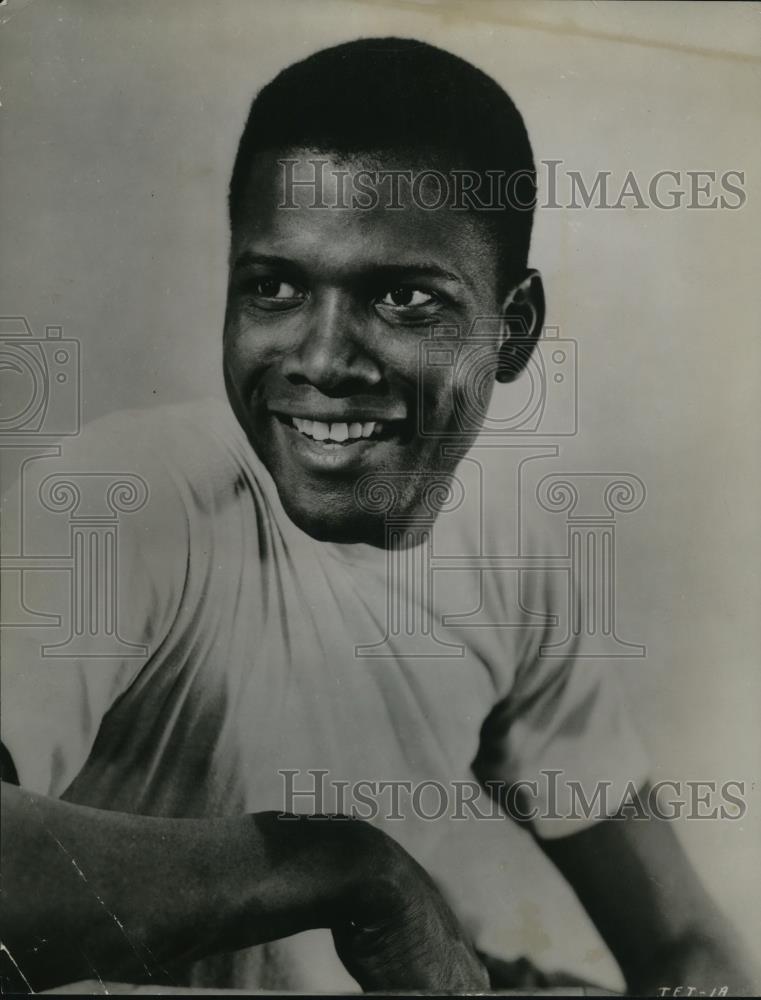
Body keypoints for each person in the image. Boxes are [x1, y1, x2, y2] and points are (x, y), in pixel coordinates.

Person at [0, 37, 756, 995]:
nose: (321, 359)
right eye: (274, 286)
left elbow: (686, 944)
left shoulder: (508, 553)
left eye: (401, 298)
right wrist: (353, 875)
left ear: (512, 330)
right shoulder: (126, 497)